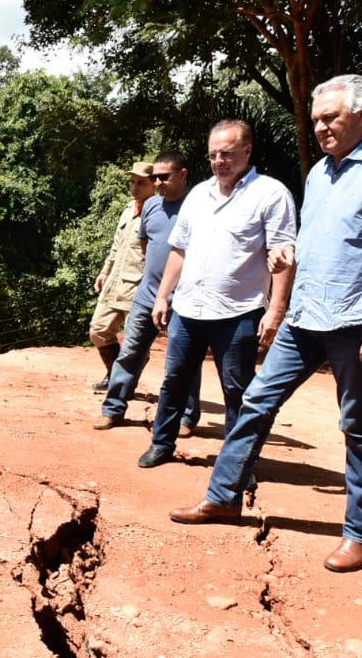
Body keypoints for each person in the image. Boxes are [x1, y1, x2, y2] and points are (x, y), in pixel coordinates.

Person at [169, 75, 362, 573]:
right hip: (306, 314)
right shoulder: (319, 174)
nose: (321, 127)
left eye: (331, 117)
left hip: (358, 318)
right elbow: (321, 238)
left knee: (357, 425)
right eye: (316, 120)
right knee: (255, 401)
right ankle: (223, 497)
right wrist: (290, 254)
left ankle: (359, 534)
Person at [137, 119, 297, 468]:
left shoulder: (270, 194)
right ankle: (162, 444)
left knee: (237, 390)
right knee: (174, 382)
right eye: (213, 155)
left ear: (247, 151)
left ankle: (237, 464)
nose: (219, 161)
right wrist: (163, 296)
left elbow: (284, 254)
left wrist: (276, 310)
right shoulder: (198, 195)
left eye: (226, 153)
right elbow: (179, 250)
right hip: (188, 310)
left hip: (238, 313)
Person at [93, 152, 202, 432]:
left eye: (164, 177)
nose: (159, 183)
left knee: (184, 360)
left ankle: (187, 417)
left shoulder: (199, 205)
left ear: (183, 175)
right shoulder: (151, 205)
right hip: (147, 296)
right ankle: (113, 409)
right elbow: (146, 246)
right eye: (155, 178)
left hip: (184, 299)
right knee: (130, 353)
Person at [88, 161, 156, 391]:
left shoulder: (158, 213)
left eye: (141, 183)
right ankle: (115, 374)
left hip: (138, 285)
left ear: (154, 184)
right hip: (115, 281)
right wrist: (104, 271)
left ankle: (121, 383)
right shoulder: (128, 209)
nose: (135, 188)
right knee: (98, 330)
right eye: (132, 182)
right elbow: (117, 246)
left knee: (134, 342)